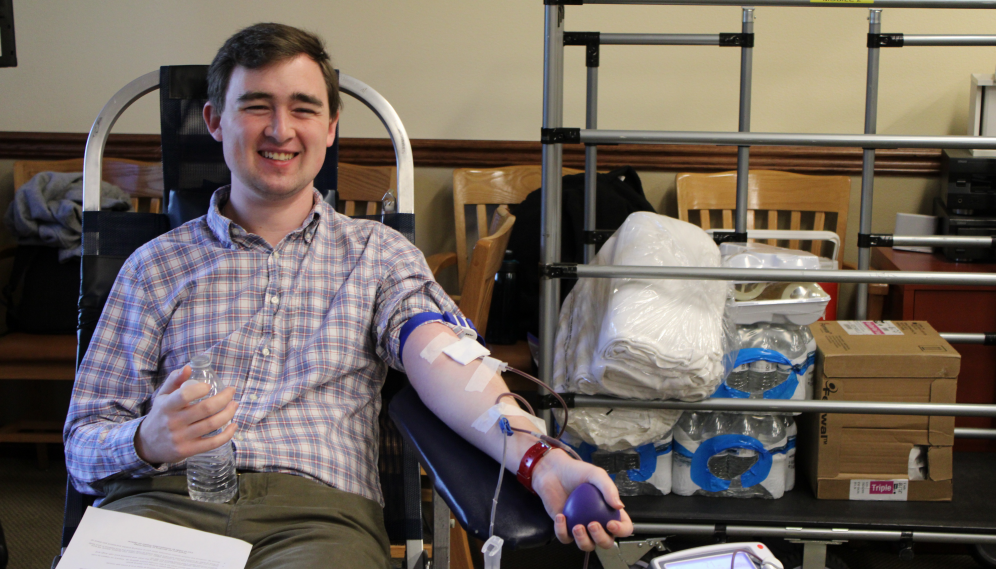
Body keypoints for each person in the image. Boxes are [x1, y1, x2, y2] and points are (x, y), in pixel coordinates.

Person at [63, 22, 633, 569]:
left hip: (316, 521)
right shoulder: (154, 268)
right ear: (215, 120)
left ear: (331, 126)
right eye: (257, 105)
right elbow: (82, 444)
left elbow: (446, 360)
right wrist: (145, 441)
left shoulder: (378, 255)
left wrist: (541, 461)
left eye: (304, 108)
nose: (281, 130)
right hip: (163, 506)